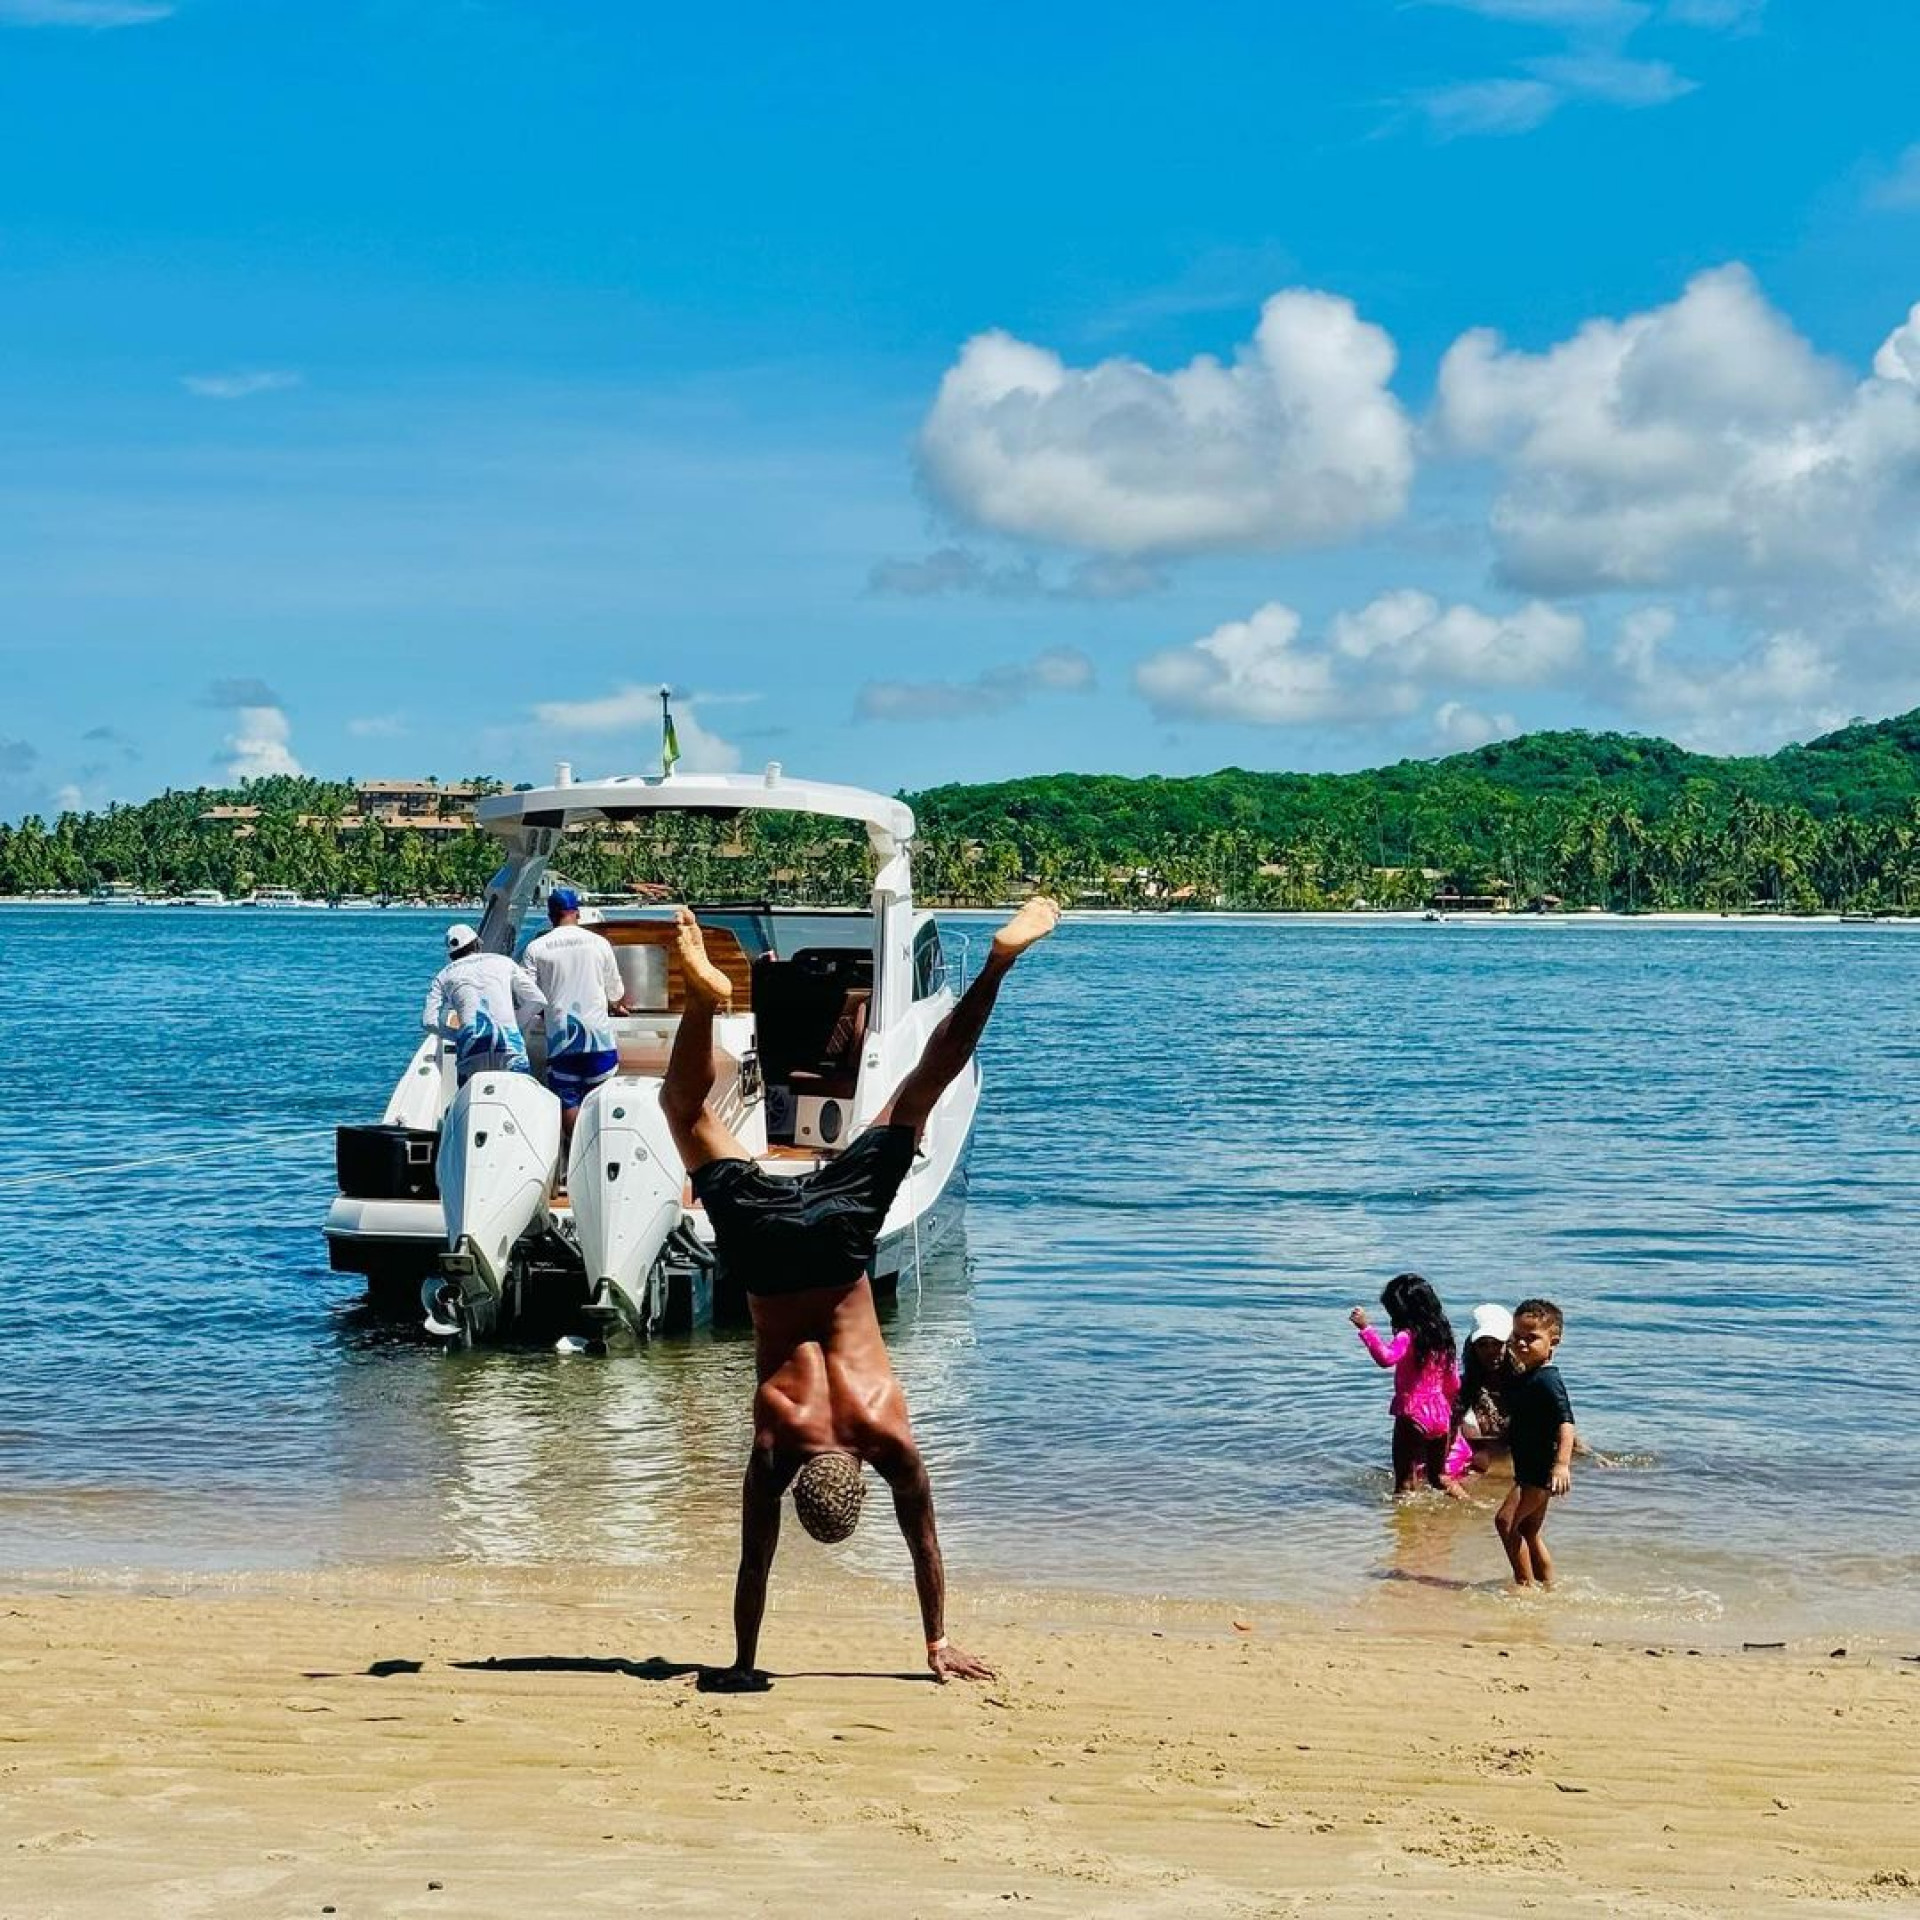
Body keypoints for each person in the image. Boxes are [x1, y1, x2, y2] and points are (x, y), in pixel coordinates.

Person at [660, 897, 1061, 1692]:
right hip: (772, 1256)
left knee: (921, 1090)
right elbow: (754, 1559)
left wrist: (937, 1635)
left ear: (851, 1476)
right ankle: (703, 1007)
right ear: (805, 1479)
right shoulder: (776, 1444)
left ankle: (1000, 963)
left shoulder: (888, 1438)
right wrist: (740, 1661)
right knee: (682, 1112)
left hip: (842, 1244)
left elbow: (925, 1542)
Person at [522, 886, 631, 1148]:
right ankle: (601, 1153)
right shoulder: (599, 943)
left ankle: (578, 1152)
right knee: (600, 1096)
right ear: (577, 914)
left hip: (561, 1036)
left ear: (551, 915)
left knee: (568, 1098)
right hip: (598, 1036)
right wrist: (616, 1004)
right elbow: (615, 990)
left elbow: (528, 995)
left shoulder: (536, 948)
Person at [1349, 1273, 1465, 1498]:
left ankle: (1405, 1531)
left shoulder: (1407, 1336)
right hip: (1441, 1414)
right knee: (1439, 1478)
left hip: (1413, 1412)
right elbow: (1454, 1382)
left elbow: (1386, 1358)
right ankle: (1474, 1507)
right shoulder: (1443, 1339)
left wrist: (1366, 1329)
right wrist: (1449, 1410)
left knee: (1404, 1483)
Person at [1493, 1297, 1576, 1589]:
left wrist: (1562, 1465)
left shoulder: (1547, 1380)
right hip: (1529, 1466)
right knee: (1528, 1530)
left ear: (1554, 1341)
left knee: (1505, 1522)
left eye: (1532, 1338)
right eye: (1517, 1336)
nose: (1522, 1344)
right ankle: (1549, 1586)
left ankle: (1524, 1587)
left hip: (1539, 1471)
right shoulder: (1530, 1375)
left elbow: (1566, 1423)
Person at [421, 924, 547, 1083]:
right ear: (478, 944)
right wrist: (517, 1023)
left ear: (451, 955)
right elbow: (537, 999)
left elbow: (428, 1021)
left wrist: (457, 1035)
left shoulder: (444, 975)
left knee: (472, 1094)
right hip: (509, 1042)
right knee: (518, 1091)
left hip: (471, 1046)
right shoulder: (504, 962)